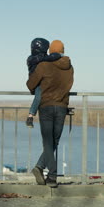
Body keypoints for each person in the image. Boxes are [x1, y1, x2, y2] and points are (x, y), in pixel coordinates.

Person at [26, 40, 74, 188]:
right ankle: (40, 167)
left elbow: (31, 84)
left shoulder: (44, 65)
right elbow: (69, 85)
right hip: (61, 107)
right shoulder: (70, 67)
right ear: (63, 51)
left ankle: (52, 174)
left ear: (50, 50)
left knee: (48, 142)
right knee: (54, 142)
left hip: (46, 107)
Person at [26, 38, 62, 128]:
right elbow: (47, 58)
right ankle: (30, 117)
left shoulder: (37, 58)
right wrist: (57, 55)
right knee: (39, 96)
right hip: (38, 82)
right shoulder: (33, 58)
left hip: (44, 81)